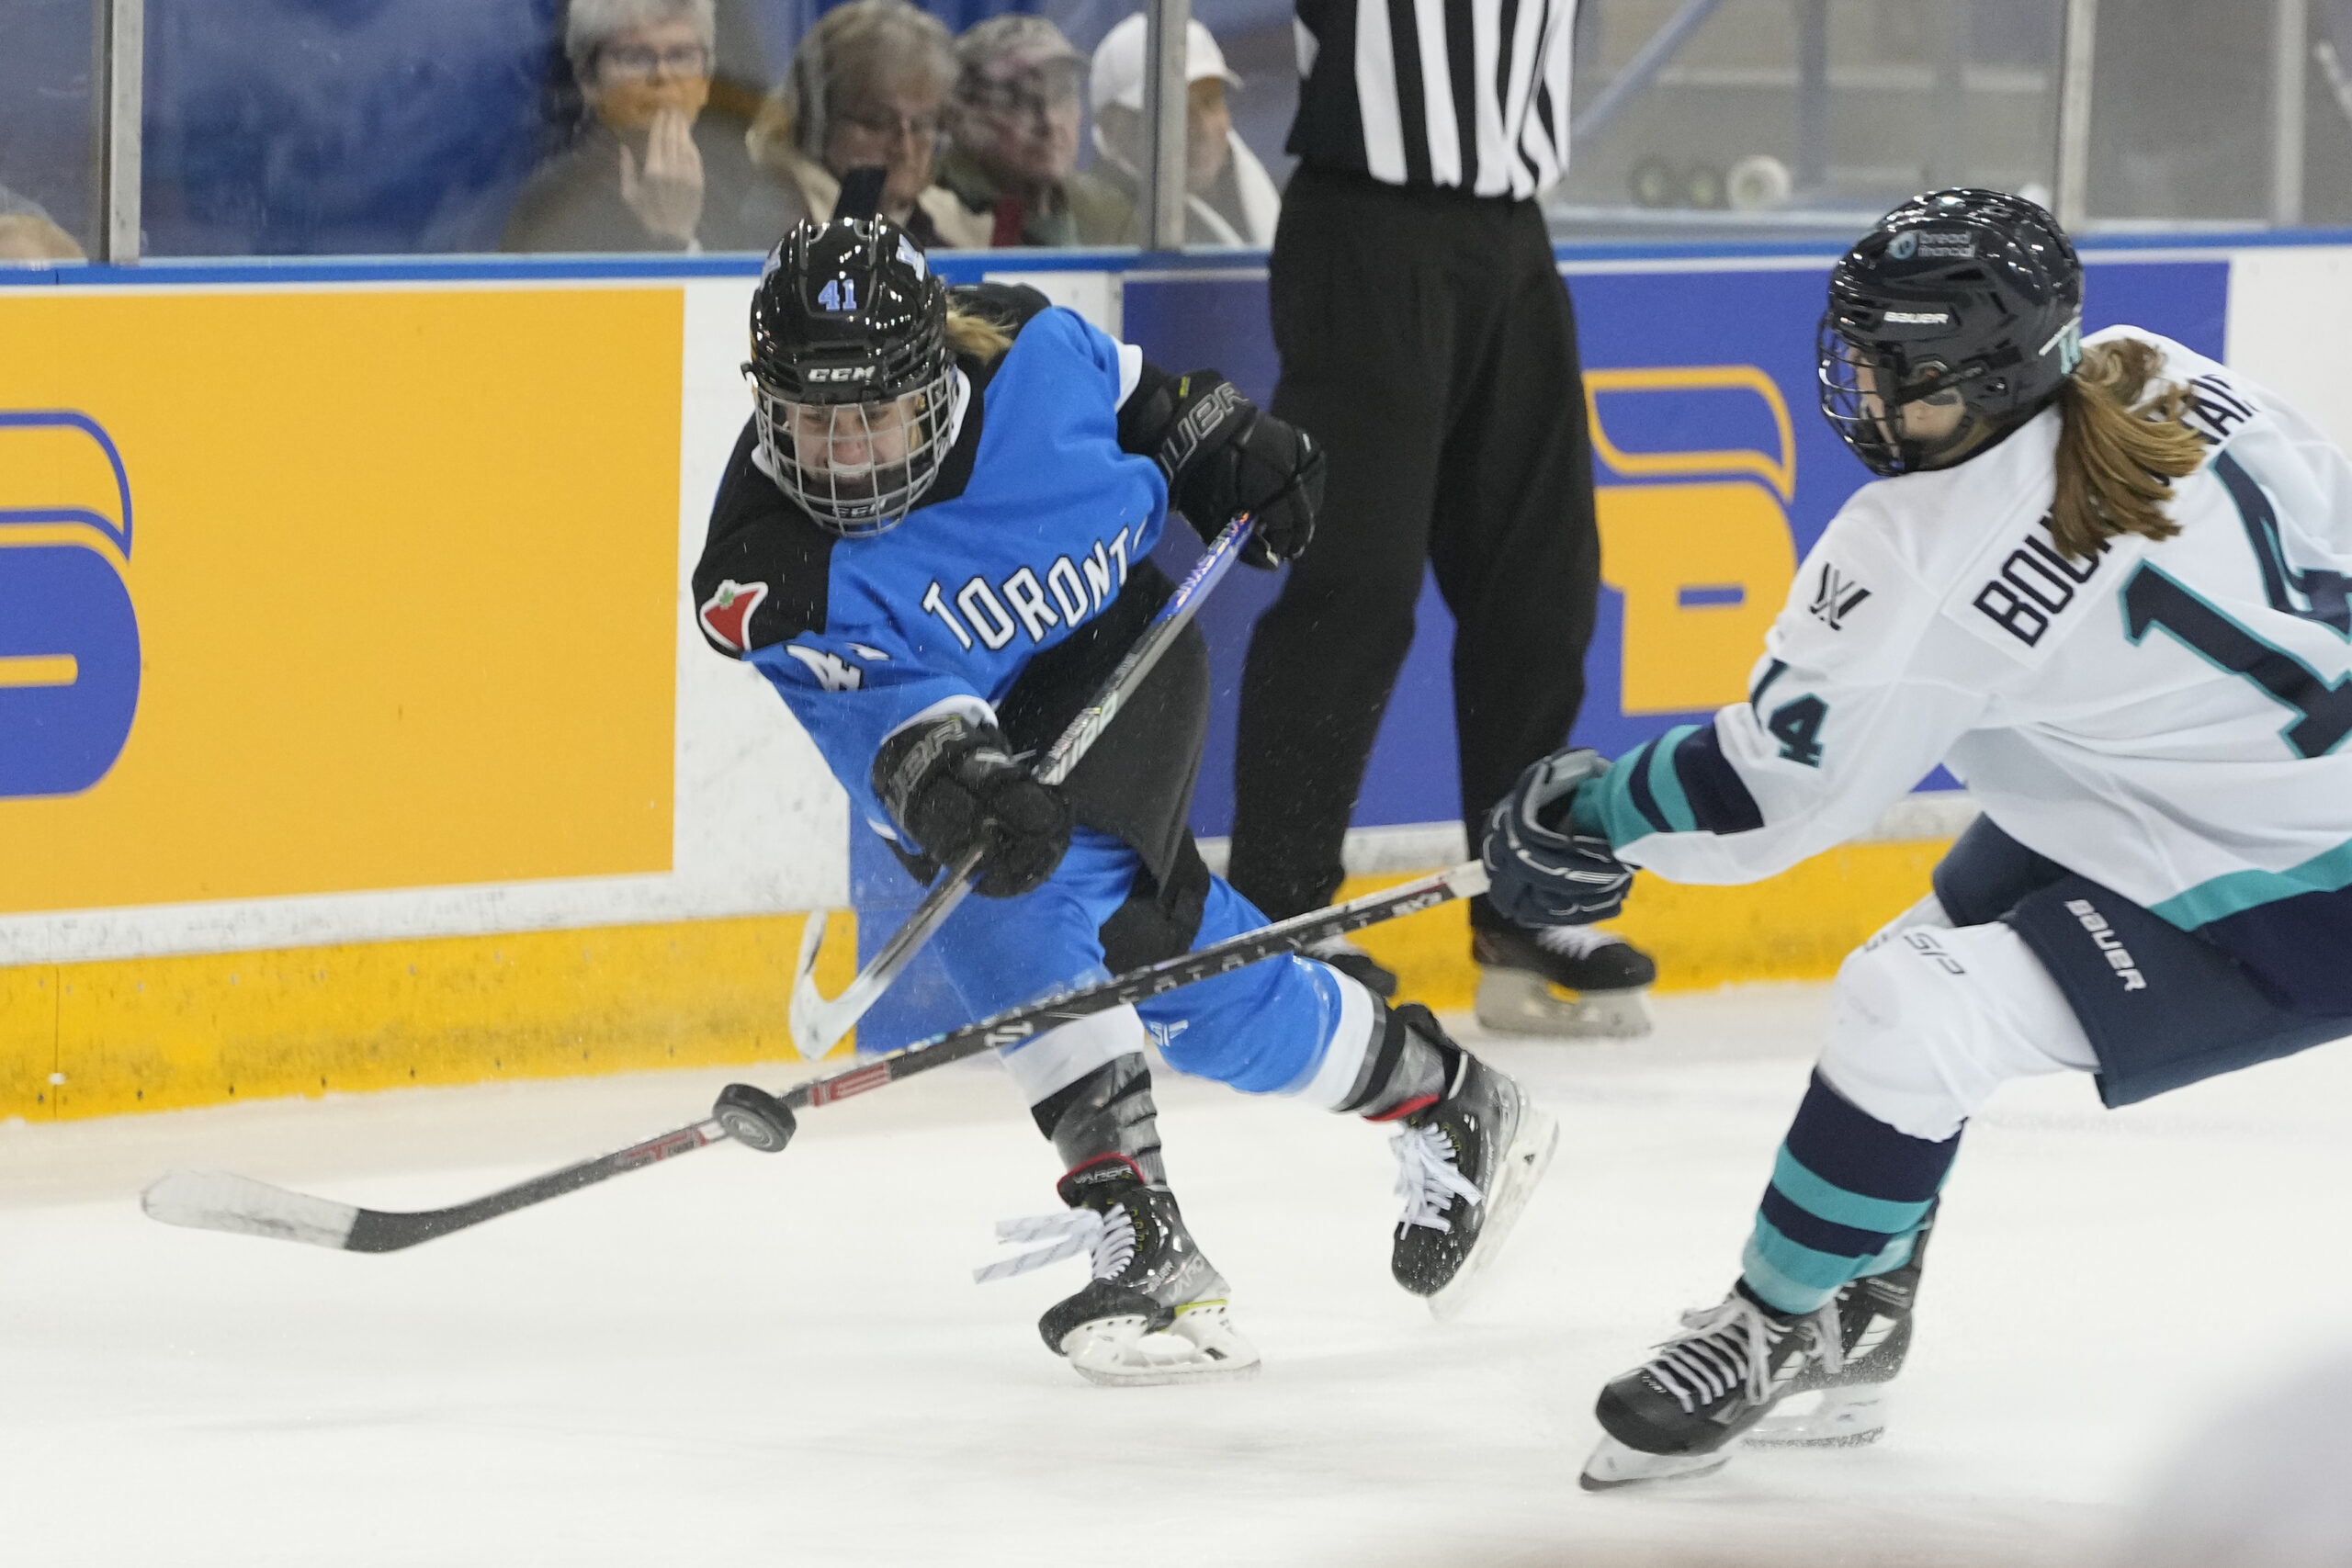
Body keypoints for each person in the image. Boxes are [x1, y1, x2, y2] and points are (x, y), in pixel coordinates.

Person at [1478, 189, 2352, 1487]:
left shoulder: (1921, 545)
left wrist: (1597, 816)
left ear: (1983, 371)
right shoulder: (2163, 370)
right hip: (2199, 796)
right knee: (1918, 963)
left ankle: (1777, 1325)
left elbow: (1771, 792)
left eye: (1896, 367)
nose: (1867, 392)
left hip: (2287, 887)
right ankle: (1860, 1312)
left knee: (1911, 1005)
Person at [693, 215, 1556, 1383]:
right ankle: (1445, 1099)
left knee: (1013, 908)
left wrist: (1229, 447)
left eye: (874, 418)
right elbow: (898, 737)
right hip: (961, 731)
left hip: (1124, 653)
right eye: (810, 423)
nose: (845, 457)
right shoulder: (769, 574)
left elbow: (1158, 407)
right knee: (1178, 973)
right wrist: (961, 789)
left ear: (932, 379)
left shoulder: (1029, 352)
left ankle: (1142, 1239)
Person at [1225, 0, 1656, 1037]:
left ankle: (1523, 900)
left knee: (1541, 592)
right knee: (1356, 584)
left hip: (1509, 234)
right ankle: (1279, 912)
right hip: (1367, 228)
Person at [502, 0, 775, 254]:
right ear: (589, 82)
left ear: (706, 81)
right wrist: (670, 240)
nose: (663, 75)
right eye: (636, 57)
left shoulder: (752, 196)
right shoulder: (554, 206)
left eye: (681, 56)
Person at [744, 0, 990, 252]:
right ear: (817, 120)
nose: (905, 149)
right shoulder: (779, 219)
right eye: (877, 123)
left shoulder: (955, 225)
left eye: (921, 125)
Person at [1085, 14, 1280, 247]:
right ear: (1113, 129)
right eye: (1175, 109)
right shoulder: (1093, 226)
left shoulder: (1265, 200)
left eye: (1210, 101)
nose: (1203, 128)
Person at [934, 14, 1125, 248]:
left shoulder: (1110, 212)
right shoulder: (921, 212)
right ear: (961, 114)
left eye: (1062, 93)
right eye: (1020, 99)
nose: (1050, 121)